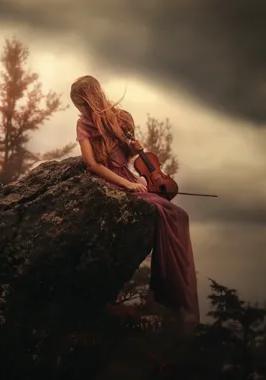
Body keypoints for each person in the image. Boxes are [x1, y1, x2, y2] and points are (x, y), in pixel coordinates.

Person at [70, 75, 200, 330]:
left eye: (82, 104)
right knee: (161, 210)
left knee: (179, 215)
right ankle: (165, 292)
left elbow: (129, 157)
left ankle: (169, 288)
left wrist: (135, 147)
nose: (80, 110)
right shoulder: (83, 125)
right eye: (77, 106)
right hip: (109, 180)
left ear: (92, 98)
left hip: (129, 176)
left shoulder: (122, 118)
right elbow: (92, 164)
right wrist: (127, 185)